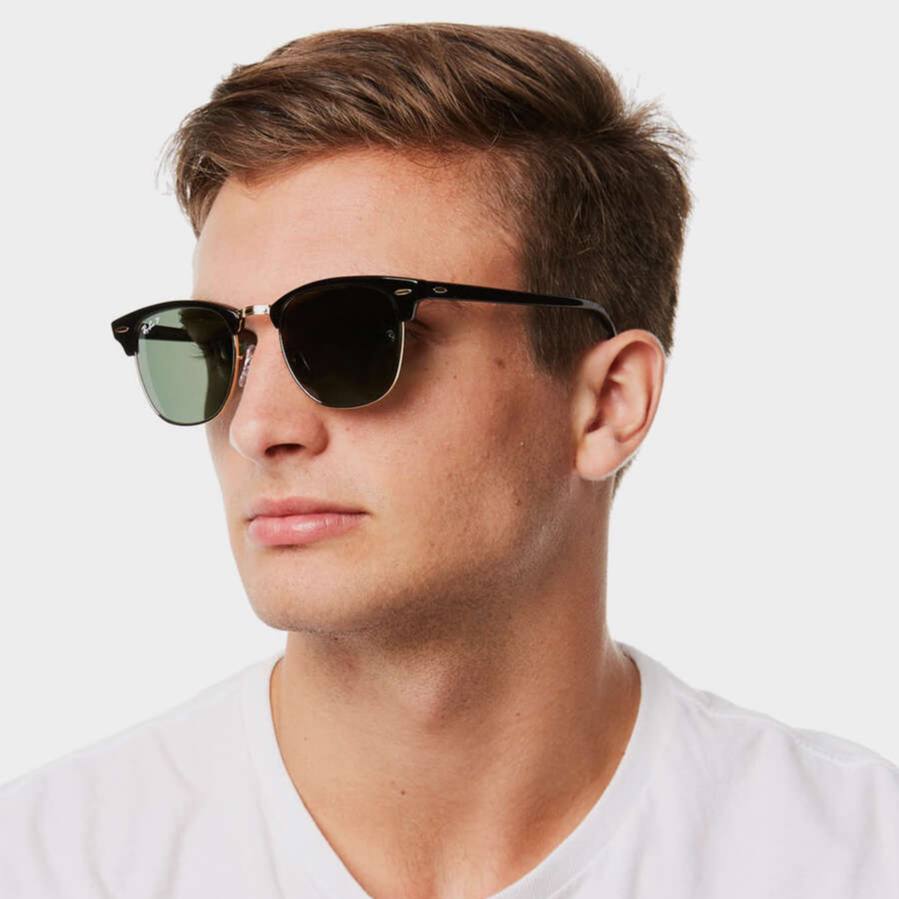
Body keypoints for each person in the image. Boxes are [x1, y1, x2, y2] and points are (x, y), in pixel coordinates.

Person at [2, 21, 897, 899]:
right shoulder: (49, 866)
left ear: (606, 404)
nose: (256, 426)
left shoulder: (855, 858)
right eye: (213, 343)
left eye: (353, 337)